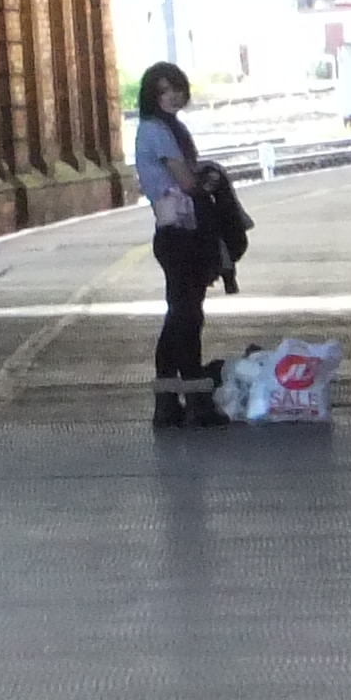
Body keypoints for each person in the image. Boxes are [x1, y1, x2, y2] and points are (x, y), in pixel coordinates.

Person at [135, 61, 227, 430]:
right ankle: (189, 401)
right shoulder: (158, 132)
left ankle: (175, 401)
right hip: (178, 235)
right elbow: (187, 181)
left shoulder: (168, 127)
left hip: (179, 233)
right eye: (163, 90)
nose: (172, 95)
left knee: (184, 315)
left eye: (176, 88)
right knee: (185, 316)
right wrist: (209, 178)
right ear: (151, 97)